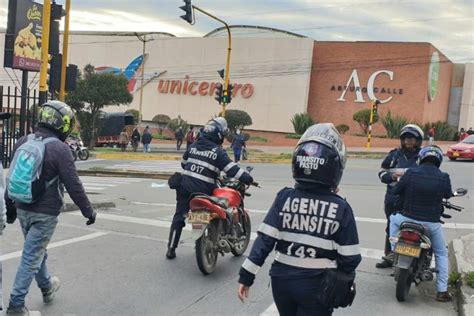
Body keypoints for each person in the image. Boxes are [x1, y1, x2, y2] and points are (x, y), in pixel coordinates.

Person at [237, 123, 361, 315]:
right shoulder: (341, 207)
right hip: (317, 286)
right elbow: (351, 258)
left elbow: (264, 240)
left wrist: (246, 276)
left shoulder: (284, 198)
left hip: (281, 283)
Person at [4, 101, 97, 315]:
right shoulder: (60, 149)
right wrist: (88, 211)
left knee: (36, 251)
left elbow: (12, 176)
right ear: (62, 124)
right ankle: (16, 305)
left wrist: (10, 206)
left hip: (22, 209)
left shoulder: (22, 141)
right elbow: (74, 185)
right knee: (31, 256)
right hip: (45, 213)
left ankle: (46, 287)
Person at [166, 117, 254, 259]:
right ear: (219, 135)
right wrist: (248, 178)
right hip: (204, 191)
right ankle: (222, 233)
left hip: (184, 188)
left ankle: (171, 249)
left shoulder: (193, 146)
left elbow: (183, 163)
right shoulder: (218, 152)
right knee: (223, 206)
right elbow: (233, 170)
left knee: (178, 218)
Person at [390, 145, 453, 302]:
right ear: (438, 160)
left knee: (392, 219)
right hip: (431, 223)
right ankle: (442, 291)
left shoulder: (410, 173)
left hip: (406, 219)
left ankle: (394, 250)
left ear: (421, 158)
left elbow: (397, 191)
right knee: (441, 253)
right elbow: (447, 194)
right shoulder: (444, 176)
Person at [376, 124, 423, 269]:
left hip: (413, 199)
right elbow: (381, 173)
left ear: (418, 140)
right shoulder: (393, 155)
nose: (408, 141)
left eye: (412, 138)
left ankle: (416, 258)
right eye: (405, 138)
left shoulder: (423, 157)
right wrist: (392, 176)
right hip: (393, 199)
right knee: (391, 226)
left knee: (414, 228)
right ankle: (389, 255)